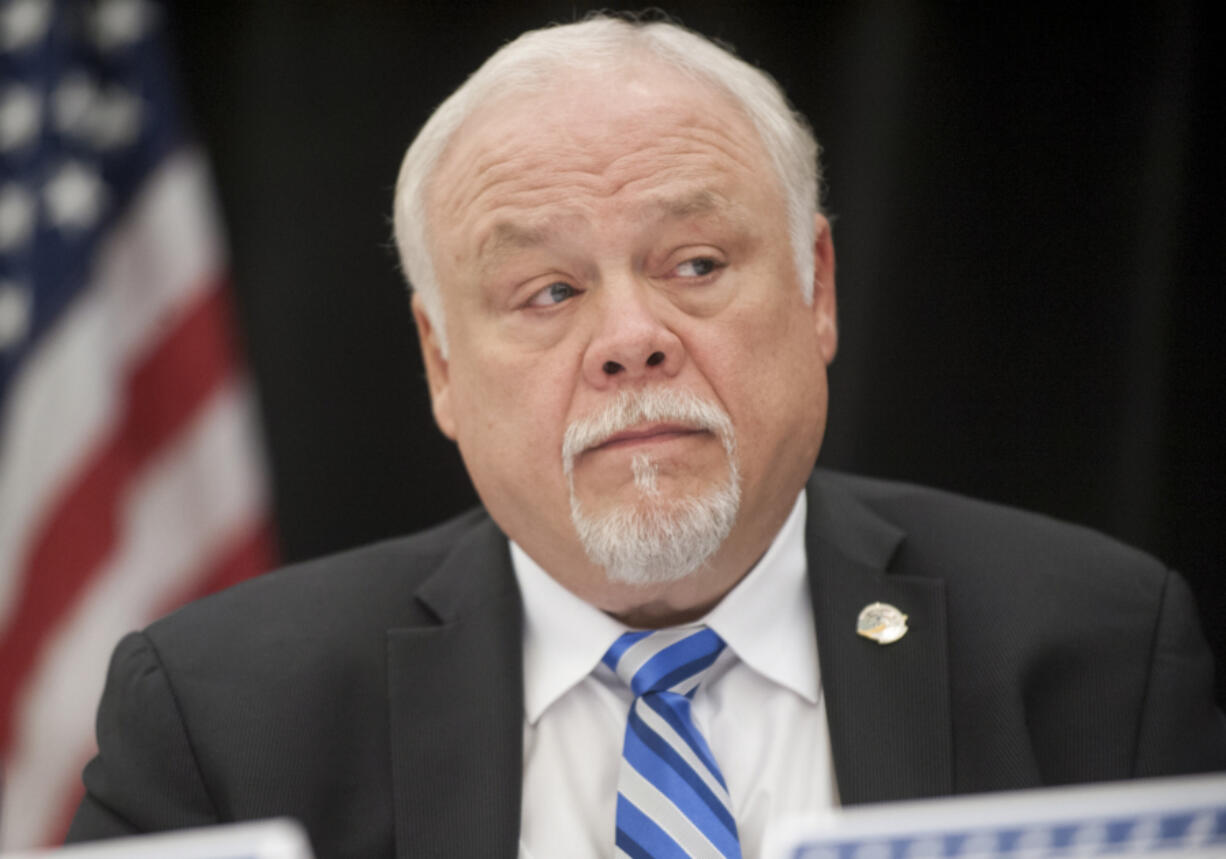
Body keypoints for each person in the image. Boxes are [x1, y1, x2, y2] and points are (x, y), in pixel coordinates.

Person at [66, 14, 1226, 859]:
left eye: (697, 265)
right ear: (441, 365)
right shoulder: (219, 716)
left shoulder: (1095, 652)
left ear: (816, 287)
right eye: (548, 292)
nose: (630, 338)